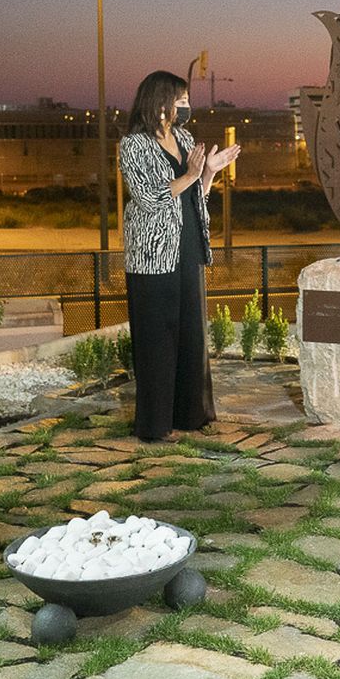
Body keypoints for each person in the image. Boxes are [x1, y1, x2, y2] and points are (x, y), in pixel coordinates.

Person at [119, 70, 240, 442]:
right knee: (158, 340)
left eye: (188, 100)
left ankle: (192, 415)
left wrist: (208, 175)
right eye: (181, 100)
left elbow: (193, 197)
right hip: (153, 256)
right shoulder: (133, 145)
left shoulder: (185, 138)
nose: (187, 107)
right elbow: (149, 198)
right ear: (160, 101)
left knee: (190, 336)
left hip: (187, 248)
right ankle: (155, 426)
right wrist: (191, 173)